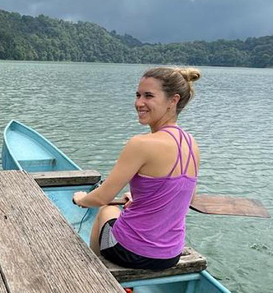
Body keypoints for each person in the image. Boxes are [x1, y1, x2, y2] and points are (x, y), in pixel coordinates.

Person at [72, 67, 201, 271]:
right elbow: (187, 197)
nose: (139, 103)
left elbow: (100, 198)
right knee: (116, 211)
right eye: (138, 95)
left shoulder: (141, 144)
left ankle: (94, 272)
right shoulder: (191, 143)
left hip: (131, 253)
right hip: (170, 255)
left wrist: (80, 199)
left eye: (148, 96)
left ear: (173, 101)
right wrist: (138, 197)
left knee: (107, 210)